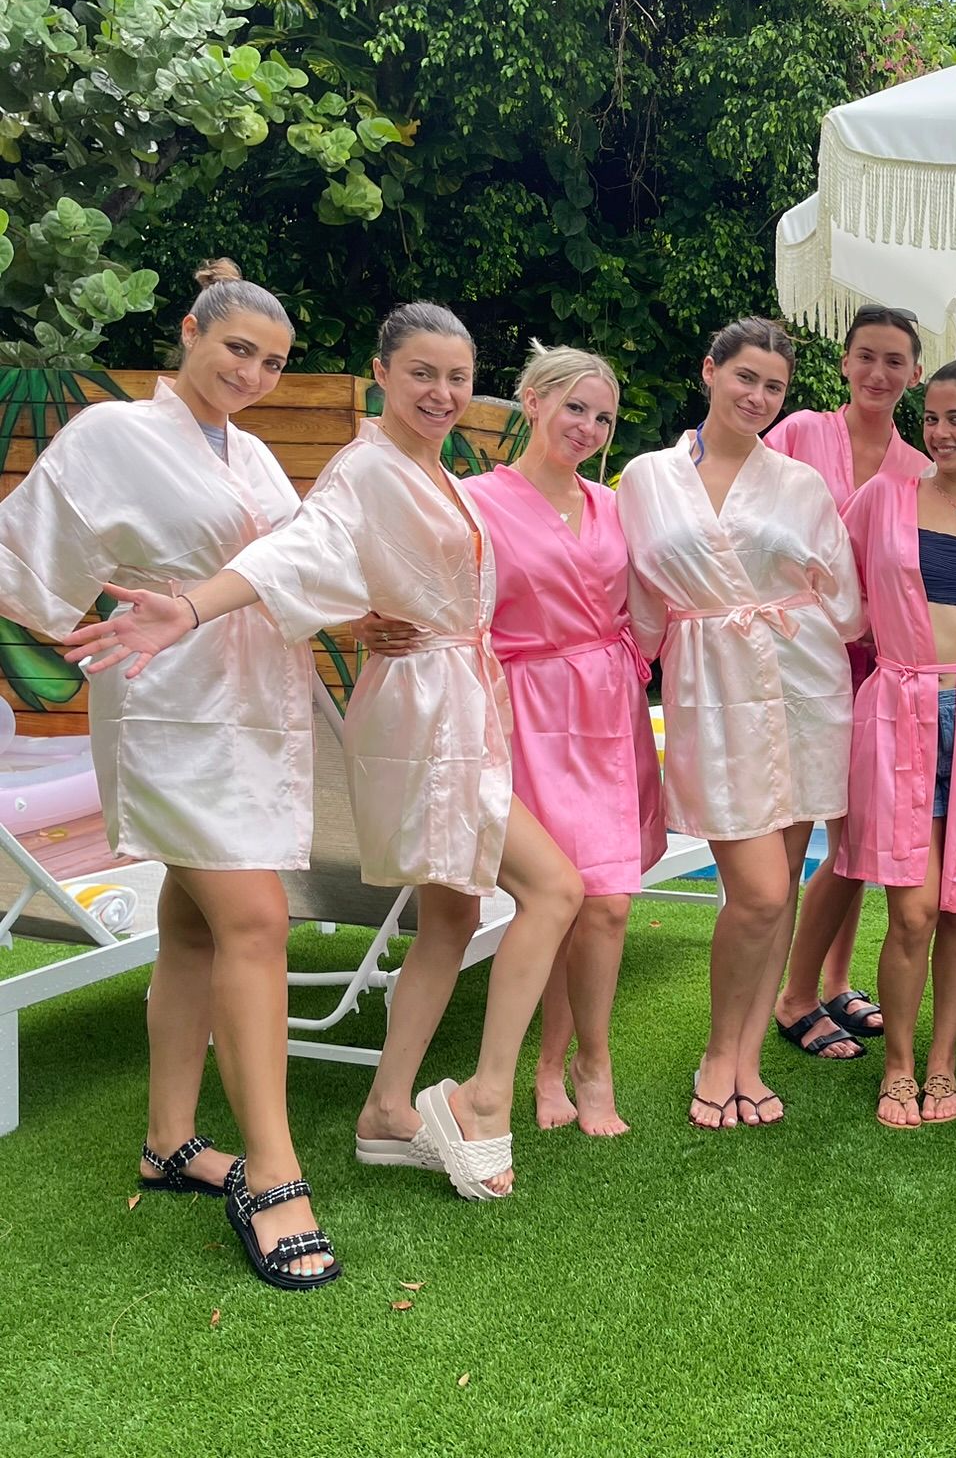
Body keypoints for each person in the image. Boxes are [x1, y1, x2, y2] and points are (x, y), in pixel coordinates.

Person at [68, 303, 587, 1206]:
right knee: (554, 887)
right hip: (422, 719)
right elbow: (295, 553)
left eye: (459, 377)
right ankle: (482, 1097)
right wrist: (189, 608)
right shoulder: (365, 468)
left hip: (454, 700)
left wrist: (358, 616)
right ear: (380, 373)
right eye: (422, 372)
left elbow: (341, 574)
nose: (443, 392)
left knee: (455, 919)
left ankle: (386, 1111)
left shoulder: (442, 471)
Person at [0, 260, 339, 1288]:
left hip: (250, 704)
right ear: (189, 332)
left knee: (197, 923)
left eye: (273, 362)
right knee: (256, 921)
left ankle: (171, 1140)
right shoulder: (111, 434)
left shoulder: (251, 455)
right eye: (237, 347)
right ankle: (273, 1172)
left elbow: (294, 564)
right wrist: (82, 629)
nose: (253, 373)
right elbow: (28, 548)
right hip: (165, 702)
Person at [619, 318, 864, 1128]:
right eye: (746, 378)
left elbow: (846, 604)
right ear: (710, 372)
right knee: (756, 893)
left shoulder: (798, 483)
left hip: (801, 679)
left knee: (779, 889)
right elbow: (639, 601)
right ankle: (718, 1051)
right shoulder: (646, 478)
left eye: (775, 387)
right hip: (711, 682)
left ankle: (747, 1056)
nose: (758, 397)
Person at [455, 345, 665, 1137]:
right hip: (527, 709)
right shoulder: (474, 499)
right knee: (559, 897)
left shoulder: (614, 507)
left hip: (608, 710)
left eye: (604, 416)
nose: (589, 426)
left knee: (607, 904)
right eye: (575, 407)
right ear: (532, 402)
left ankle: (587, 1064)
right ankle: (541, 1070)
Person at [838, 338, 956, 1127]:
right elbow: (832, 593)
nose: (942, 431)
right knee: (913, 908)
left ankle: (945, 1066)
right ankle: (898, 1065)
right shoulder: (881, 500)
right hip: (898, 711)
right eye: (933, 417)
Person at [769, 304, 927, 1059]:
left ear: (916, 374)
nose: (878, 373)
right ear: (844, 362)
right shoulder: (800, 432)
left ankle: (832, 982)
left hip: (875, 663)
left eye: (894, 360)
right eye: (866, 356)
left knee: (860, 836)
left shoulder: (918, 467)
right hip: (796, 655)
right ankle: (791, 993)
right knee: (812, 831)